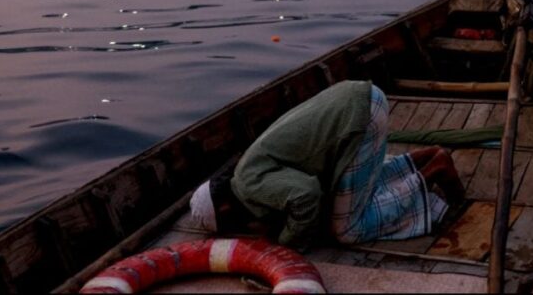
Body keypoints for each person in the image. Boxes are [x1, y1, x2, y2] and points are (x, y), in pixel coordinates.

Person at [189, 80, 464, 250]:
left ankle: (434, 170)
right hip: (361, 100)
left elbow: (307, 195)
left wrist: (288, 242)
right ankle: (425, 157)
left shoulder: (249, 185)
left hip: (360, 118)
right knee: (352, 193)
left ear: (225, 209)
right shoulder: (246, 171)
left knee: (346, 229)